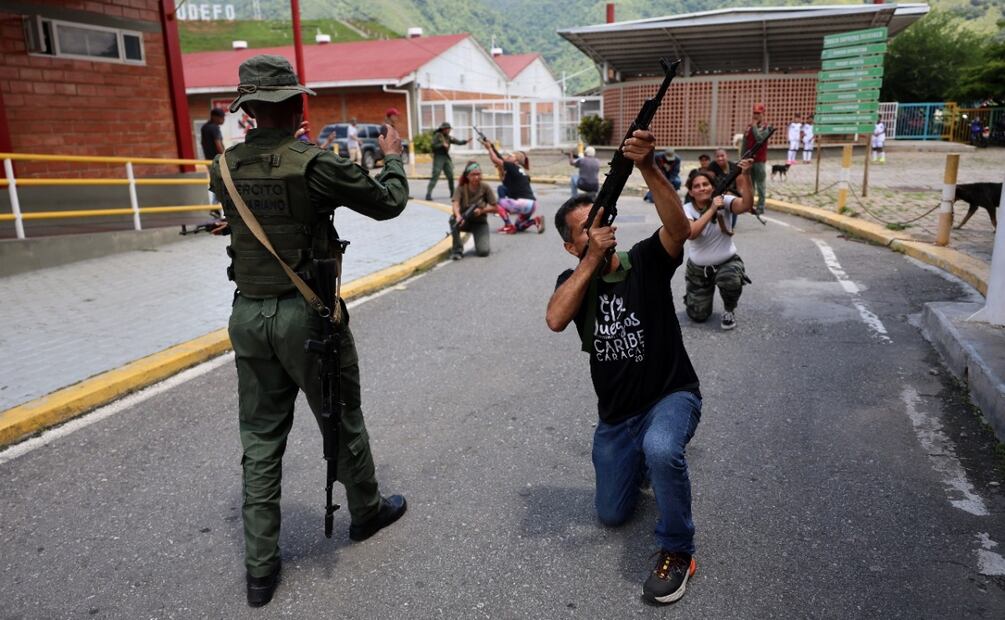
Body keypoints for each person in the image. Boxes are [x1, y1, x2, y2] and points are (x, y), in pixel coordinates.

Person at [209, 55, 408, 608]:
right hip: (306, 315)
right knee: (340, 416)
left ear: (248, 112)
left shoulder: (222, 168)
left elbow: (246, 211)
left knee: (260, 439)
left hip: (248, 314)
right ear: (297, 106)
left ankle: (260, 568)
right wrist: (392, 160)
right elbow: (389, 204)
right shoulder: (312, 163)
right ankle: (365, 513)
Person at [546, 128, 702, 606]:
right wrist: (590, 262)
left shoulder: (646, 262)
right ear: (573, 247)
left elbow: (679, 230)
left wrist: (649, 167)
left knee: (661, 447)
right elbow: (555, 319)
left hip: (670, 395)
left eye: (600, 219)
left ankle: (678, 550)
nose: (598, 228)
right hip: (617, 418)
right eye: (584, 230)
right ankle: (642, 462)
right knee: (611, 514)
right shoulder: (572, 279)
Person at [681, 161, 754, 330]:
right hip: (698, 269)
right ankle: (695, 297)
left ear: (712, 187)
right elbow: (691, 233)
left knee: (731, 280)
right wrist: (712, 209)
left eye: (705, 184)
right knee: (698, 316)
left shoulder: (725, 201)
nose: (702, 188)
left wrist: (746, 175)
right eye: (697, 186)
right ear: (691, 192)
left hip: (727, 262)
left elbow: (746, 205)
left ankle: (729, 309)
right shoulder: (686, 209)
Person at [481, 140, 544, 233]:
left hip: (523, 203)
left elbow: (496, 159)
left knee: (498, 203)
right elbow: (499, 159)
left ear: (516, 160)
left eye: (510, 156)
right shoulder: (518, 170)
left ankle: (508, 225)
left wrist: (489, 148)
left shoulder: (511, 166)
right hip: (532, 205)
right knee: (519, 226)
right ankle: (535, 220)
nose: (507, 157)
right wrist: (492, 148)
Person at [450, 161, 498, 259]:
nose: (476, 177)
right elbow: (455, 204)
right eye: (473, 174)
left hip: (479, 223)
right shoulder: (461, 188)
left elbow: (495, 208)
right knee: (453, 220)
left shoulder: (485, 187)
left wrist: (482, 211)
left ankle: (478, 237)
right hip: (465, 221)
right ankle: (457, 250)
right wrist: (459, 216)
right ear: (467, 176)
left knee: (483, 252)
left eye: (478, 174)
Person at [425, 122, 469, 200]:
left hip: (446, 157)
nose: (449, 130)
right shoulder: (438, 136)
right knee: (435, 175)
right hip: (438, 157)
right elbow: (433, 146)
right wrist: (442, 145)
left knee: (450, 175)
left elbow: (457, 141)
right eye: (447, 129)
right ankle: (428, 194)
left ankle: (452, 193)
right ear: (443, 129)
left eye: (449, 129)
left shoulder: (448, 137)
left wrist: (465, 142)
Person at [743, 103, 770, 214]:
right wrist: (742, 157)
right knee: (750, 185)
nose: (755, 115)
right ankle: (750, 205)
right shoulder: (749, 126)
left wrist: (754, 127)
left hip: (759, 160)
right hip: (749, 160)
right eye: (754, 113)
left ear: (763, 114)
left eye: (758, 113)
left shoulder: (766, 127)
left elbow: (760, 139)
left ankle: (761, 206)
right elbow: (745, 142)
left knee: (760, 185)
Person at [707, 148, 741, 227]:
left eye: (722, 156)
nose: (720, 158)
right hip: (718, 195)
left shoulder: (734, 167)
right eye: (717, 156)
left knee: (731, 225)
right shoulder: (712, 166)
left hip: (733, 194)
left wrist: (734, 194)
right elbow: (710, 181)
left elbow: (739, 184)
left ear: (727, 156)